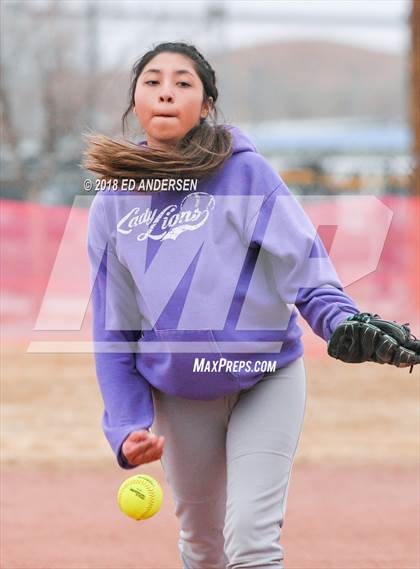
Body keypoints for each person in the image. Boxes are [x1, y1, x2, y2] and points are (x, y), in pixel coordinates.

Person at [83, 42, 419, 569]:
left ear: (207, 105)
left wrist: (341, 322)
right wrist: (127, 424)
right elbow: (113, 327)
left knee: (252, 542)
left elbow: (305, 269)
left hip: (265, 377)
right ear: (135, 102)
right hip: (181, 393)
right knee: (202, 545)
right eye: (151, 80)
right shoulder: (113, 202)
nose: (166, 89)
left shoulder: (245, 175)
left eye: (183, 81)